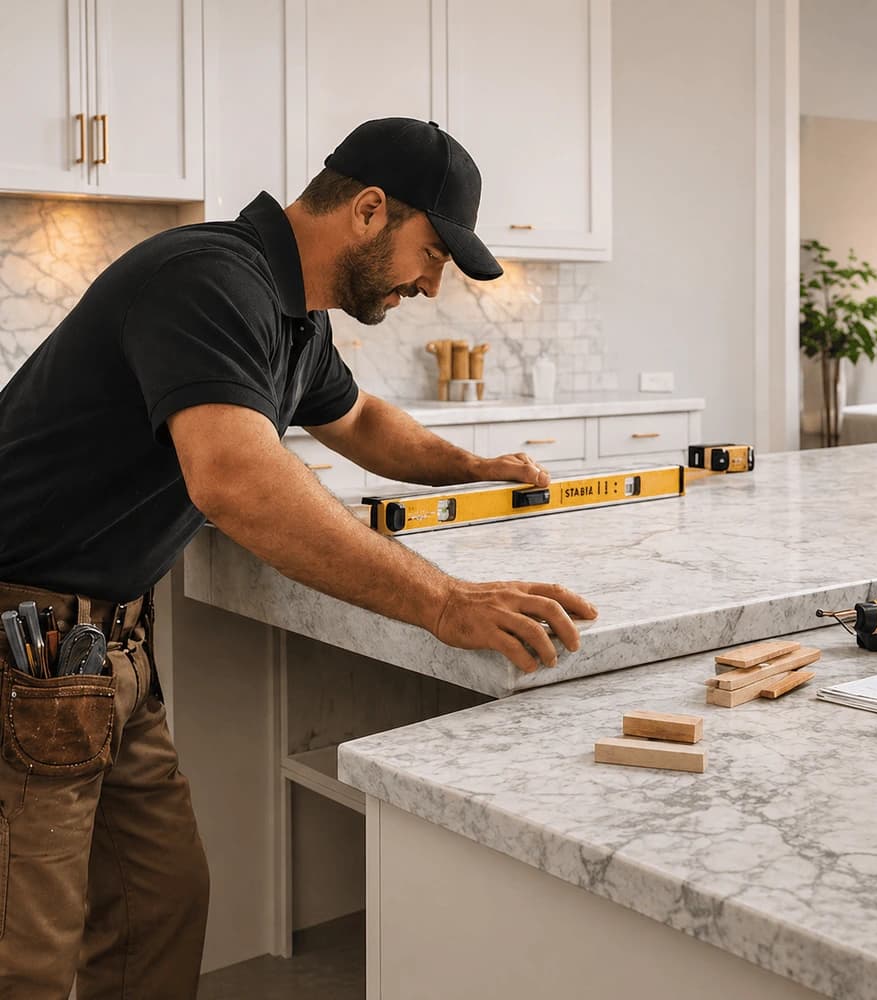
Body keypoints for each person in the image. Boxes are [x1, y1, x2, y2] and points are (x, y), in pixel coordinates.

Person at [0, 118, 598, 999]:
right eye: (433, 254)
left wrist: (471, 466)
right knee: (28, 956)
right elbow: (236, 482)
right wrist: (445, 602)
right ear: (369, 210)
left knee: (157, 908)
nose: (431, 284)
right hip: (26, 646)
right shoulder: (209, 280)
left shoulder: (293, 317)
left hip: (106, 653)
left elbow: (360, 421)